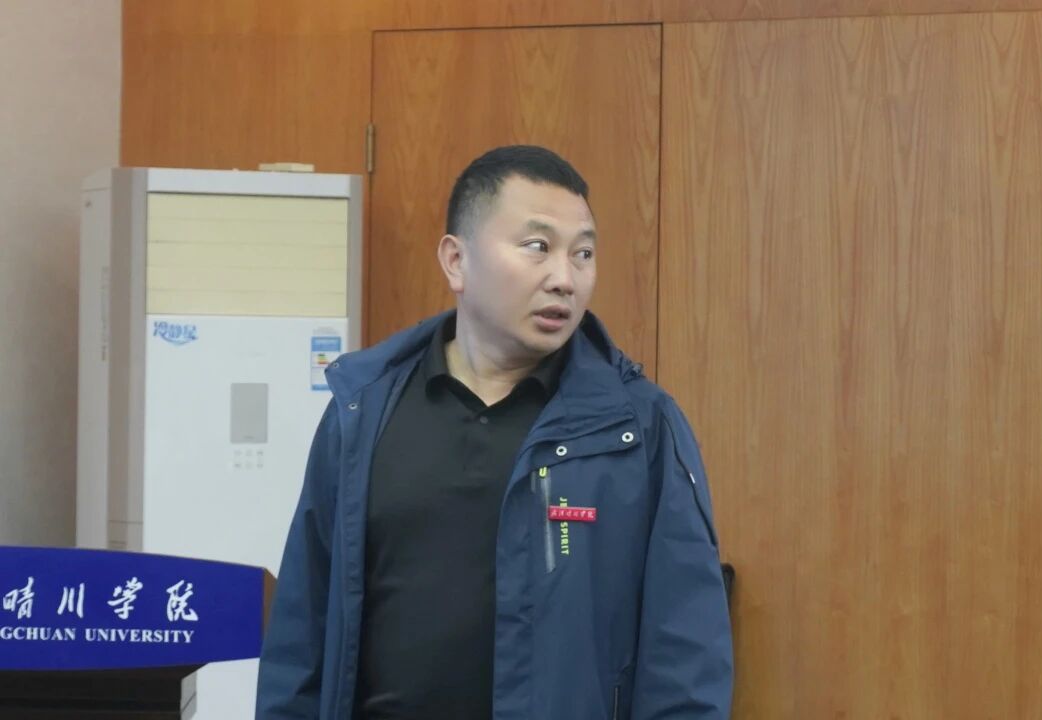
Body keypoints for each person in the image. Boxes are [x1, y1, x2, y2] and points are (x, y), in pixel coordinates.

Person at [255, 145, 734, 719]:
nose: (565, 279)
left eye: (583, 253)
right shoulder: (363, 410)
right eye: (537, 247)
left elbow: (687, 657)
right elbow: (302, 632)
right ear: (456, 261)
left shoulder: (638, 429)